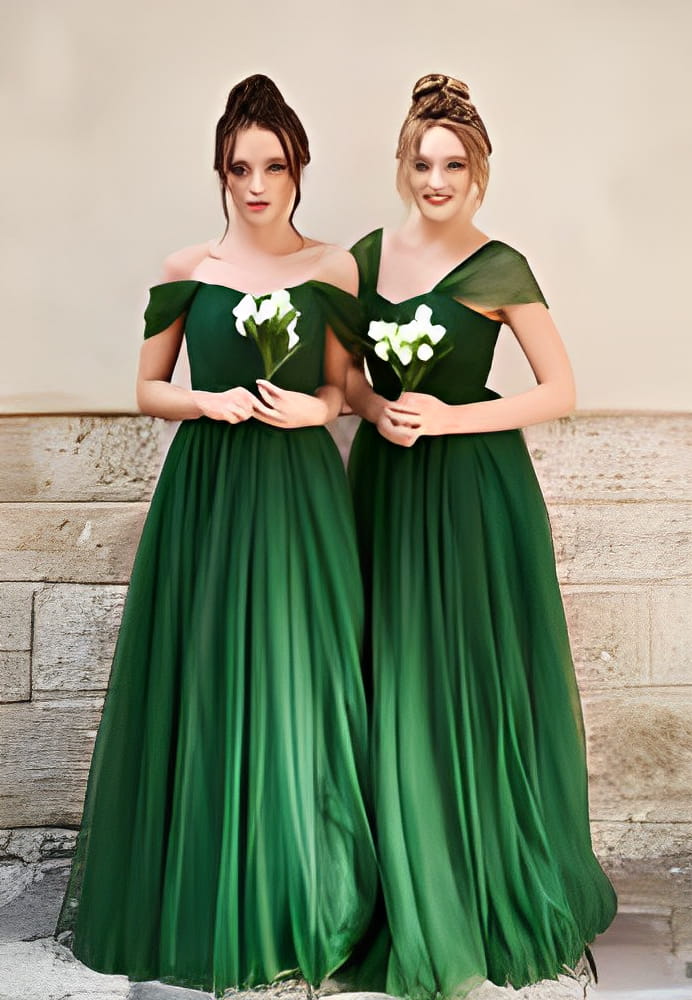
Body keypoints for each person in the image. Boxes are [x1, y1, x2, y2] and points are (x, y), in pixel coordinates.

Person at [55, 74, 376, 997]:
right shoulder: (185, 268)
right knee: (209, 678)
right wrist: (207, 400)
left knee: (299, 676)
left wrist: (304, 413)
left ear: (298, 168)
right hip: (208, 489)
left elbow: (338, 391)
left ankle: (299, 898)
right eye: (241, 167)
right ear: (221, 172)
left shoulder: (332, 270)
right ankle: (209, 893)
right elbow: (147, 388)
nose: (257, 183)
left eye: (274, 165)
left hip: (301, 495)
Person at [343, 73, 618, 998]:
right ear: (402, 166)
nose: (436, 177)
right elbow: (344, 380)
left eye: (453, 163)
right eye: (422, 161)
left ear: (479, 173)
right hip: (386, 484)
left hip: (471, 493)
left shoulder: (501, 267)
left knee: (460, 674)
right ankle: (396, 874)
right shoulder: (366, 255)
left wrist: (449, 419)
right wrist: (379, 409)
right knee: (390, 669)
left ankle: (471, 876)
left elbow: (559, 391)